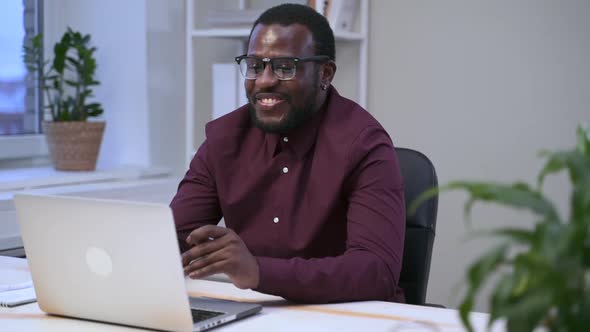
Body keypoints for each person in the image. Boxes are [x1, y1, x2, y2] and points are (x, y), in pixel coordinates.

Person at [171, 3, 405, 303]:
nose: (264, 80)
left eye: (285, 67)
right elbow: (172, 238)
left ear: (325, 73)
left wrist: (259, 272)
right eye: (255, 65)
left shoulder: (364, 145)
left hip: (345, 318)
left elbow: (377, 273)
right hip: (257, 315)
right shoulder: (224, 138)